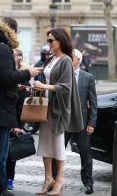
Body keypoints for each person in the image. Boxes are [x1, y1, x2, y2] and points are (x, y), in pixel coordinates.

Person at [0, 18, 40, 196]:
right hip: (0, 109)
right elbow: (6, 77)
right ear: (10, 31)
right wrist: (28, 73)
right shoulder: (3, 49)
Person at [34, 28, 83, 196]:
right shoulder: (52, 59)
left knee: (57, 145)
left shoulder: (66, 60)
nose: (48, 44)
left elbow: (66, 87)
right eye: (48, 41)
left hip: (57, 109)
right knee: (44, 145)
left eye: (51, 41)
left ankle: (59, 180)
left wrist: (45, 86)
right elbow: (45, 77)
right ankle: (48, 179)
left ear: (60, 42)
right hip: (44, 107)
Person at [52, 49, 97, 194]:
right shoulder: (61, 76)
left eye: (70, 57)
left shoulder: (88, 77)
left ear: (78, 59)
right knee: (57, 151)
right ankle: (54, 181)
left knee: (85, 154)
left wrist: (91, 123)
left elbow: (93, 103)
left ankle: (88, 183)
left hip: (82, 122)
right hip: (64, 121)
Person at [6, 48, 31, 190]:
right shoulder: (6, 75)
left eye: (20, 55)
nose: (18, 58)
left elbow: (23, 106)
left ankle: (9, 178)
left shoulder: (22, 77)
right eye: (15, 55)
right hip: (5, 119)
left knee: (12, 153)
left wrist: (19, 125)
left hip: (15, 121)